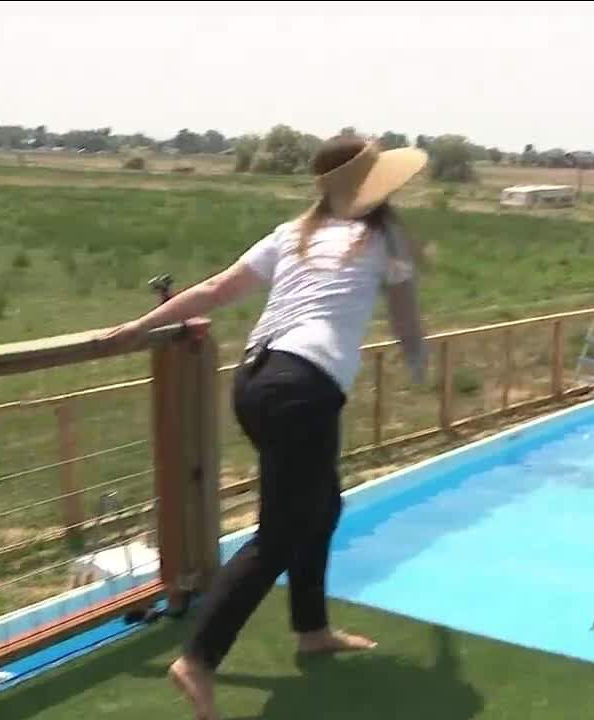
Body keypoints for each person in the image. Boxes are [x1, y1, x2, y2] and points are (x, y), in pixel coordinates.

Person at [101, 135, 430, 720]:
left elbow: (213, 290)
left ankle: (311, 629)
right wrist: (417, 360)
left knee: (321, 506)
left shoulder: (292, 232)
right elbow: (404, 310)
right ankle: (198, 659)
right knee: (279, 532)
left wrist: (135, 327)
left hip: (257, 382)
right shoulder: (386, 235)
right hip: (302, 389)